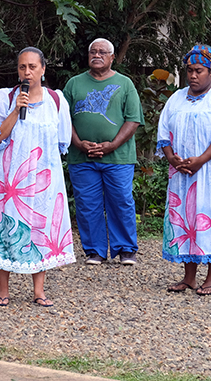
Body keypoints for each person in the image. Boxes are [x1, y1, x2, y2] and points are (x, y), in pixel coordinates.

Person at [0, 47, 74, 307]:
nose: (27, 72)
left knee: (41, 228)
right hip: (8, 180)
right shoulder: (5, 98)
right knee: (4, 227)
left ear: (43, 69)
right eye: (22, 67)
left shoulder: (56, 101)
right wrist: (16, 111)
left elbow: (62, 141)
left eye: (32, 67)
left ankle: (39, 291)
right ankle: (3, 289)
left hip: (43, 180)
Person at [156, 44, 211, 296]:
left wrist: (201, 160)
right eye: (189, 70)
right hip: (182, 174)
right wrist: (172, 159)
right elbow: (164, 132)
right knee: (185, 218)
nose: (193, 75)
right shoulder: (177, 98)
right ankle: (189, 277)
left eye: (199, 71)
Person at [64, 38, 144, 266]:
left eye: (102, 52)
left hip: (117, 157)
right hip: (82, 156)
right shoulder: (74, 84)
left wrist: (113, 145)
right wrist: (78, 143)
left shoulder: (125, 84)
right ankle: (94, 251)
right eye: (93, 52)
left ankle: (126, 250)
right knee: (87, 204)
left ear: (112, 57)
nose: (96, 55)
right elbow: (63, 119)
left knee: (121, 201)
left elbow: (133, 119)